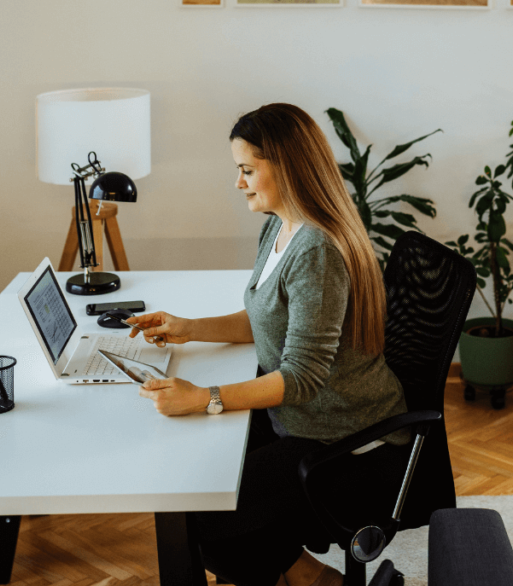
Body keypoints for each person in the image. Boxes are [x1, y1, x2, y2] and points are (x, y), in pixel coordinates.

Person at [126, 103, 410, 586]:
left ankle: (306, 579)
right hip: (307, 420)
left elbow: (300, 378)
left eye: (247, 170)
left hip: (347, 441)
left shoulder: (317, 249)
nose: (239, 183)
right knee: (194, 488)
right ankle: (316, 579)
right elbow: (265, 319)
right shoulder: (279, 225)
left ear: (288, 166)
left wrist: (205, 398)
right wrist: (189, 327)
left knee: (200, 518)